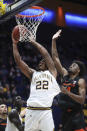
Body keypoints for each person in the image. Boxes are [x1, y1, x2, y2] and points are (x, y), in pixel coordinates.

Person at [12, 29, 60, 131]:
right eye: (40, 62)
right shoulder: (33, 73)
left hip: (46, 111)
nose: (40, 62)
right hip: (31, 111)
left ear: (48, 64)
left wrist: (33, 42)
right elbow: (19, 62)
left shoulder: (52, 72)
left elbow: (46, 54)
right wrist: (14, 44)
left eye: (43, 61)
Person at [52, 29, 87, 131]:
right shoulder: (64, 75)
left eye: (74, 65)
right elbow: (55, 58)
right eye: (71, 64)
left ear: (79, 70)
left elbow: (81, 100)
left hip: (76, 116)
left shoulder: (80, 81)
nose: (71, 65)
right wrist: (53, 40)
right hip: (64, 115)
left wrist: (67, 93)